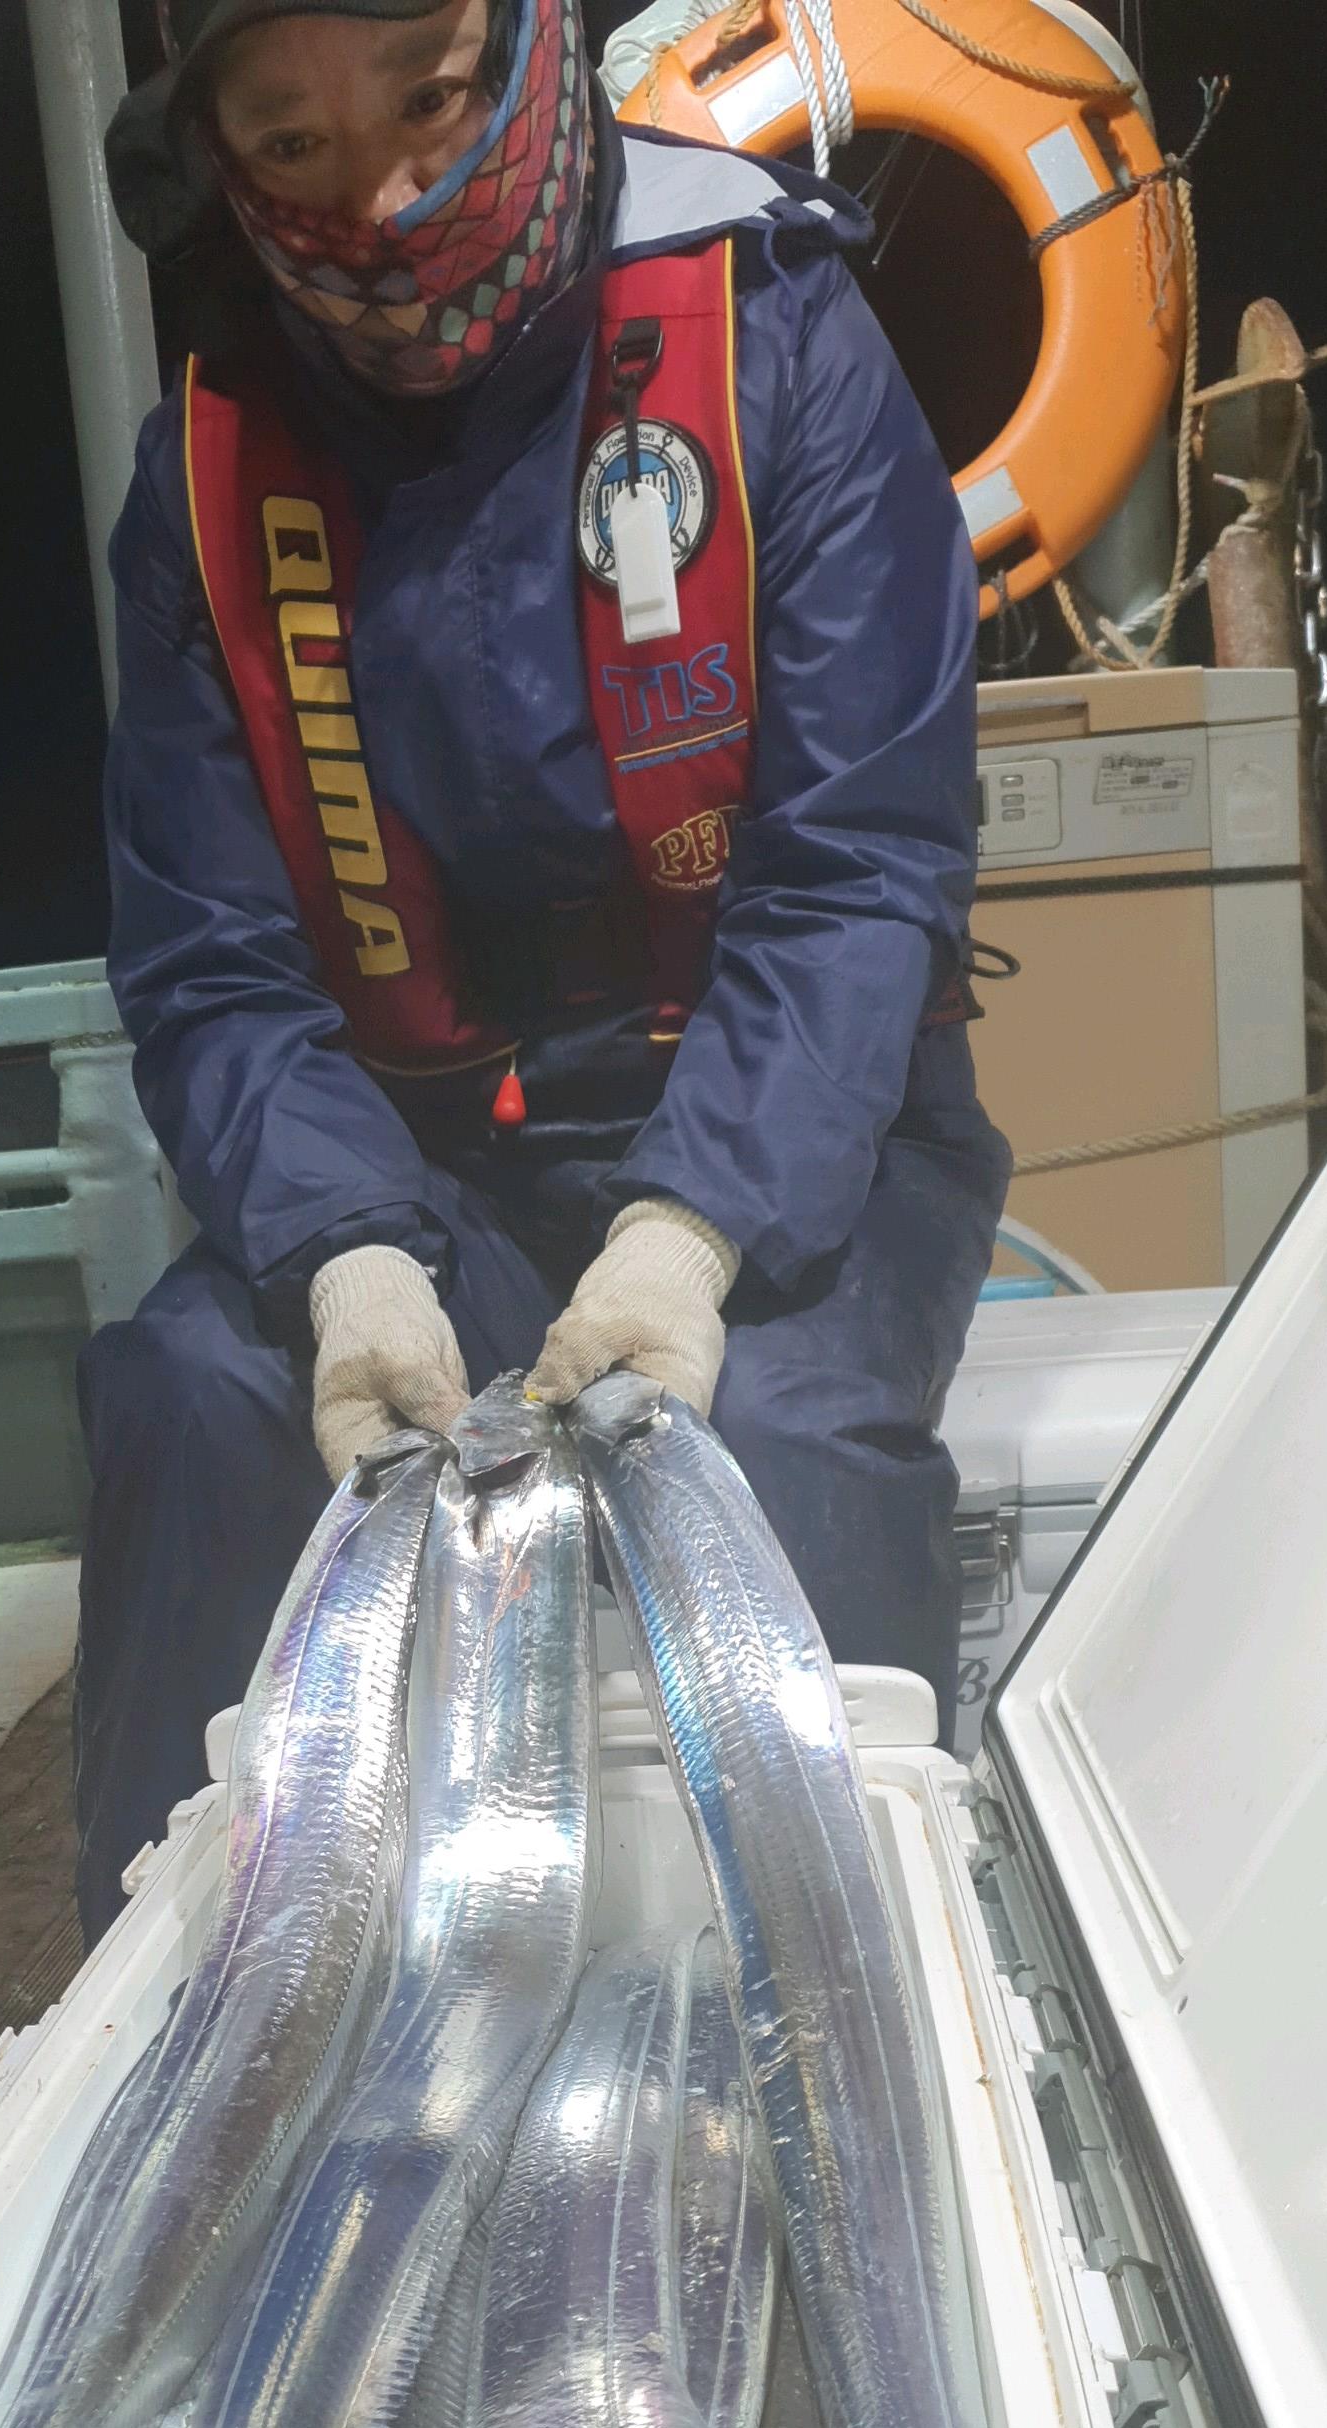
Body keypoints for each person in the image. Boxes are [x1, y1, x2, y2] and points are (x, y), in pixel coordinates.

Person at [77, 0, 1008, 1939]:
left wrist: (692, 1233)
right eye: (294, 148)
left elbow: (859, 866)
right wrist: (344, 1255)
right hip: (426, 1177)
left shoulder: (774, 336)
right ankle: (170, 2010)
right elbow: (213, 958)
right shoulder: (207, 479)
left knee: (783, 1454)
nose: (386, 199)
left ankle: (858, 2000)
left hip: (793, 1155)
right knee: (190, 1393)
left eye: (428, 99)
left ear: (524, 47)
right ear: (221, 169)